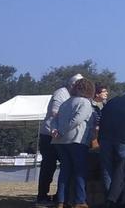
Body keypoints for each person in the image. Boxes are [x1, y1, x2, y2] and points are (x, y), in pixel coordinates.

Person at [37, 73, 83, 206]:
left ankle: (60, 196)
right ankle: (42, 197)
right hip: (50, 135)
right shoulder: (61, 93)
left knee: (65, 166)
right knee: (49, 166)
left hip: (61, 135)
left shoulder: (72, 96)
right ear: (73, 85)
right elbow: (54, 112)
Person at [51, 78, 96, 208]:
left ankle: (61, 200)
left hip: (59, 142)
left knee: (65, 170)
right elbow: (77, 120)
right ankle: (80, 200)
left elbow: (55, 119)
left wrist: (55, 130)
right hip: (76, 139)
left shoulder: (65, 102)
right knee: (79, 171)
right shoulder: (85, 103)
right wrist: (62, 131)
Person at [97, 91, 125, 191]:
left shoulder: (112, 101)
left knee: (107, 168)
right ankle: (124, 196)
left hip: (105, 138)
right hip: (124, 140)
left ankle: (110, 196)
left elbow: (101, 118)